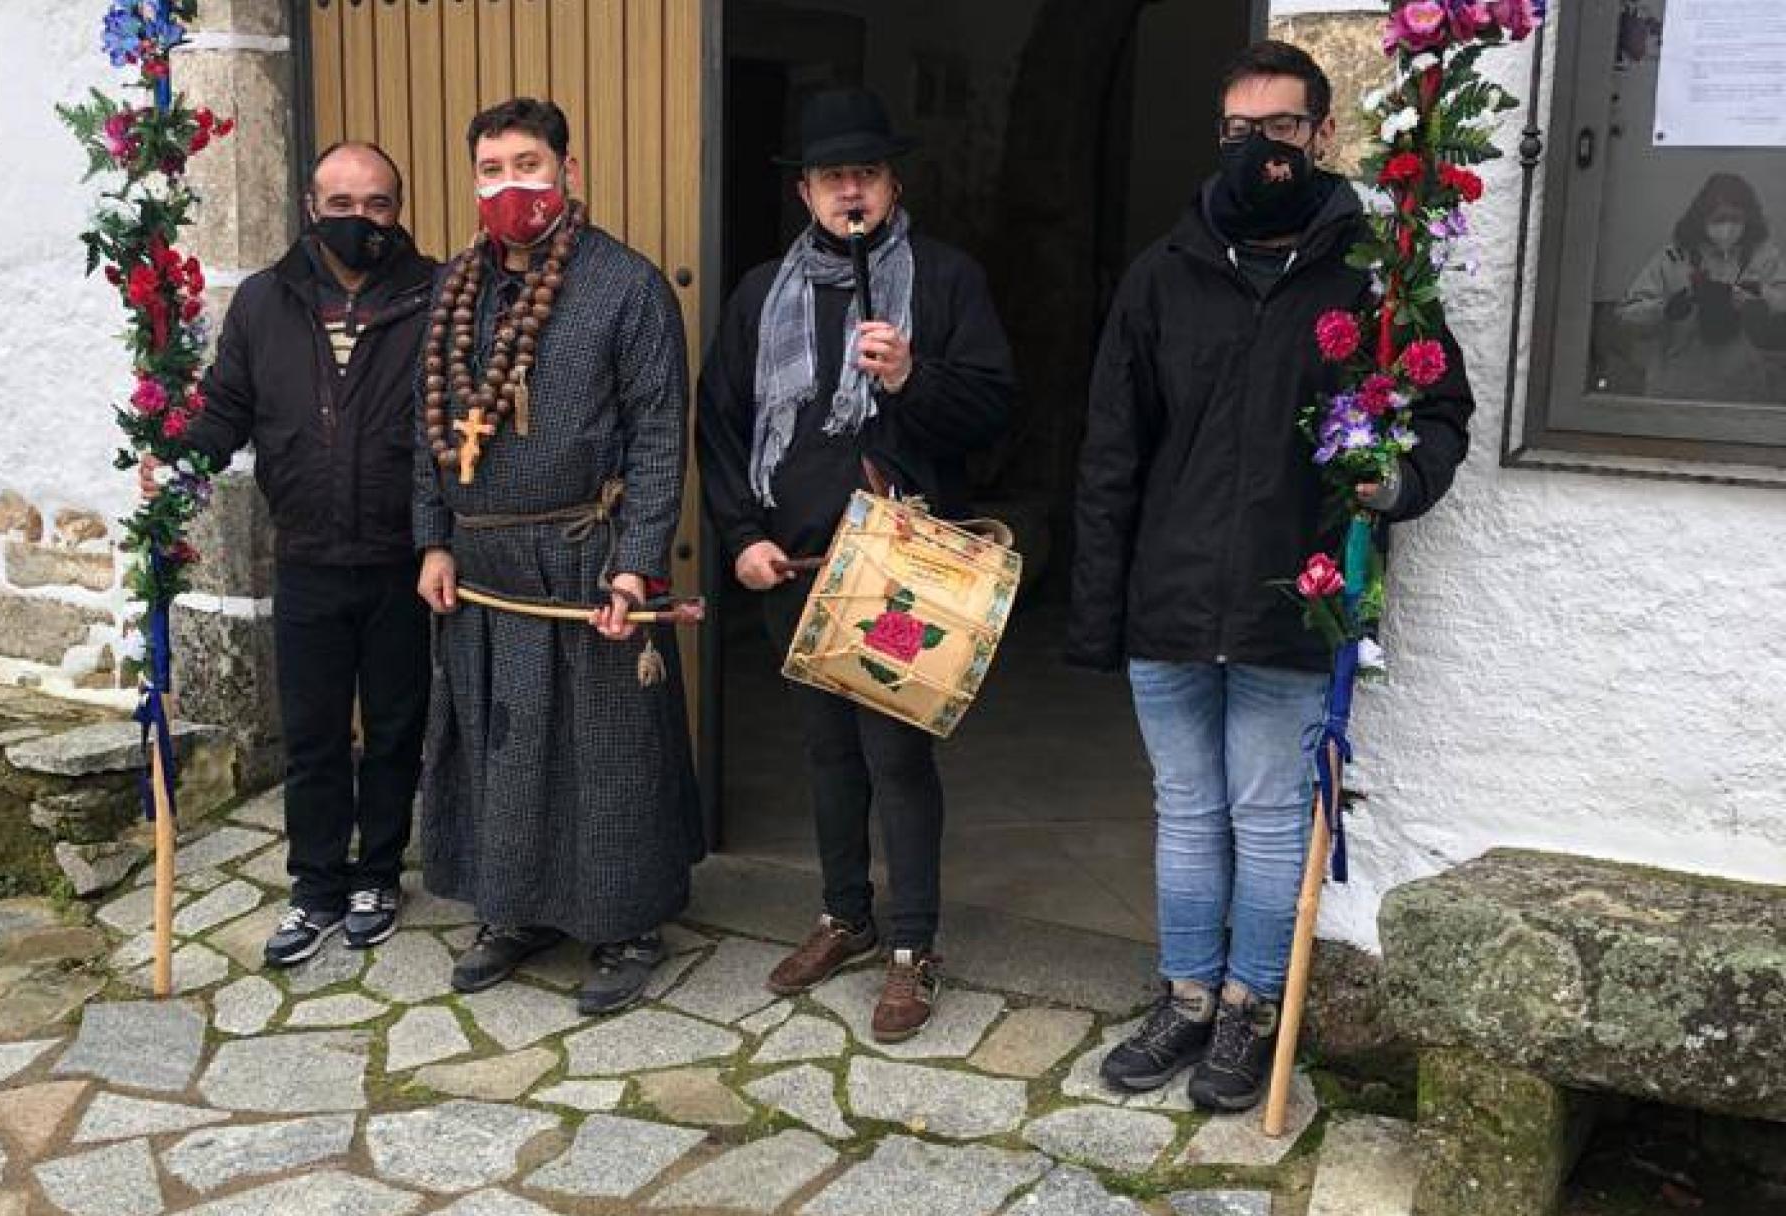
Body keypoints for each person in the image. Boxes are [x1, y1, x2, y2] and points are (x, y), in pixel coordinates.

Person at [1068, 42, 1474, 1111]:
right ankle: (1189, 997)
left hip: (1294, 600)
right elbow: (1112, 450)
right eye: (1239, 134)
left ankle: (1248, 1010)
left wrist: (1396, 485)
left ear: (1322, 134)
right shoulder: (1166, 273)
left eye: (1281, 131)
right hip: (1171, 596)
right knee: (1188, 810)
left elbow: (1439, 410)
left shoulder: (1380, 278)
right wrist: (1098, 610)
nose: (1261, 152)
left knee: (1268, 813)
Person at [697, 87, 1015, 1042]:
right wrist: (740, 535)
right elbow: (722, 424)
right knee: (828, 757)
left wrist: (914, 377)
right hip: (793, 566)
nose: (850, 192)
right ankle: (846, 917)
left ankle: (913, 948)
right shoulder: (761, 293)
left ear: (891, 184)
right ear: (805, 192)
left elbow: (997, 415)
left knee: (897, 757)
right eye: (833, 178)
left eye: (865, 176)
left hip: (899, 571)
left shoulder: (948, 281)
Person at [414, 97, 701, 1017]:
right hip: (484, 562)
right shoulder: (456, 291)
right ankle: (515, 910)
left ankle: (625, 925)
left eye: (528, 165)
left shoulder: (628, 286)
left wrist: (638, 561)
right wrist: (432, 537)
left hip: (589, 556)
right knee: (499, 746)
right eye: (492, 169)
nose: (510, 186)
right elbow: (423, 433)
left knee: (605, 748)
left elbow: (660, 437)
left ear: (568, 172)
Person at [166, 141, 437, 967]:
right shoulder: (265, 302)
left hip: (401, 557)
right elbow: (226, 409)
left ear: (399, 209)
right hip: (309, 558)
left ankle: (378, 875)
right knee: (314, 733)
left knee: (395, 728)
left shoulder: (435, 297)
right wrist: (179, 457)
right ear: (310, 208)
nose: (361, 221)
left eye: (378, 205)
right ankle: (316, 884)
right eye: (343, 204)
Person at [1615, 172, 1786, 404]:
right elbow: (1626, 314)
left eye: (1735, 218)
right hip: (1676, 392)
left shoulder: (1764, 257)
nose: (1727, 227)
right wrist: (1666, 309)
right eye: (1719, 218)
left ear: (1748, 218)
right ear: (1702, 217)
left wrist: (1757, 296)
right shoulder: (1673, 257)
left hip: (1743, 393)